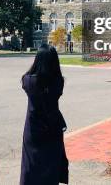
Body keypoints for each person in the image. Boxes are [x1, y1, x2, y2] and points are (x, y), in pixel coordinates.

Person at [20, 44, 68, 185]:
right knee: (50, 168)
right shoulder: (59, 81)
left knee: (30, 167)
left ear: (38, 59)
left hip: (33, 129)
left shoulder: (28, 80)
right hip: (53, 127)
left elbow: (25, 79)